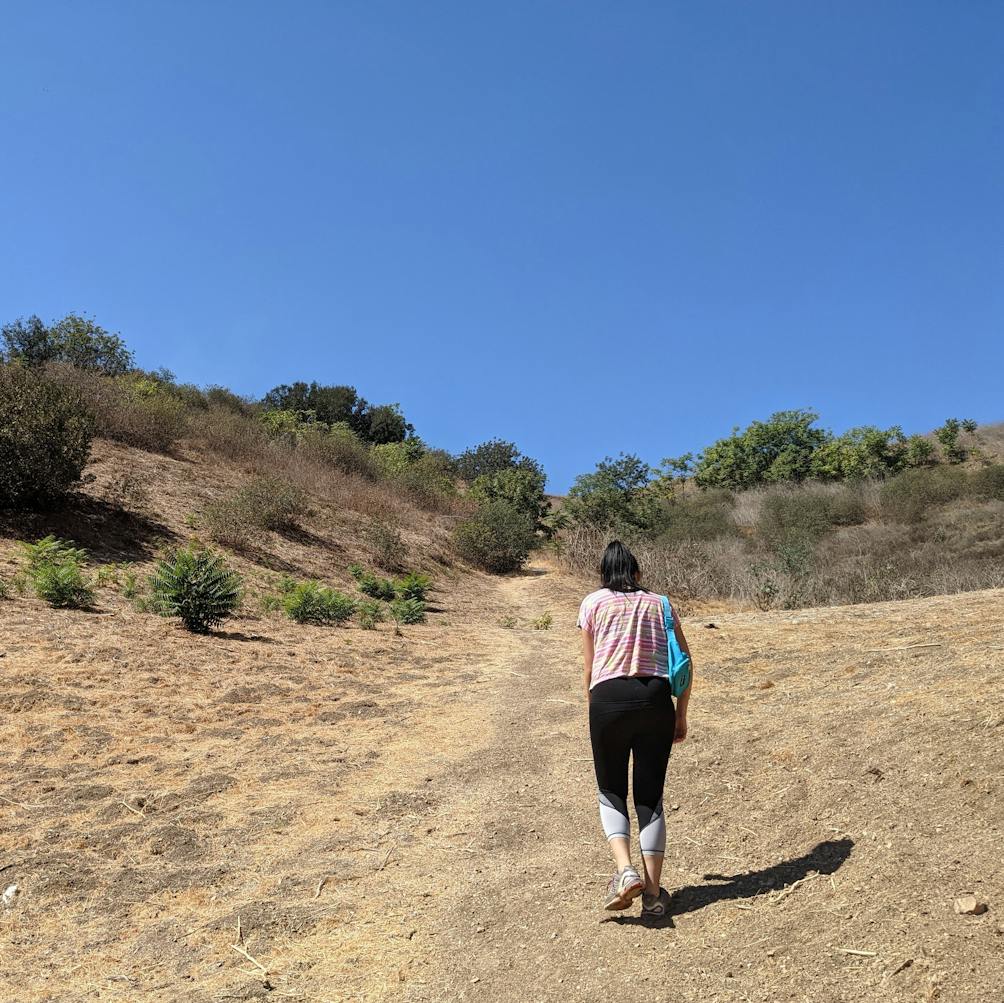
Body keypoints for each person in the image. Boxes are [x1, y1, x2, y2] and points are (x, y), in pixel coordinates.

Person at [577, 540, 693, 918]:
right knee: (650, 797)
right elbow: (686, 662)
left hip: (607, 699)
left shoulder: (592, 603)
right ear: (637, 572)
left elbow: (589, 666)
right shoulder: (660, 603)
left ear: (604, 575)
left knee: (611, 789)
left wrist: (594, 711)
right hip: (655, 699)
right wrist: (680, 714)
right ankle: (654, 895)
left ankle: (626, 871)